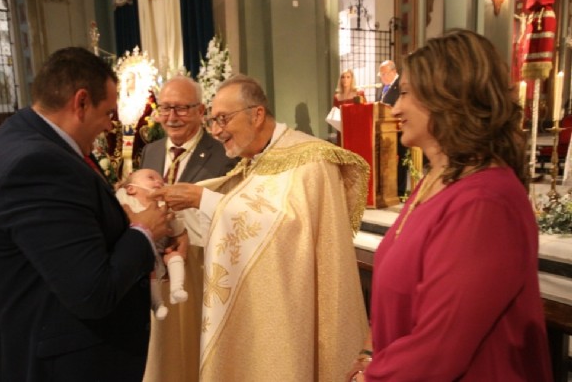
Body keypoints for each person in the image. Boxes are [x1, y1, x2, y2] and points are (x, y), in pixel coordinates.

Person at [345, 29, 553, 382]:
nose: (395, 107)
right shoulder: (435, 178)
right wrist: (369, 353)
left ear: (447, 97)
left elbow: (439, 348)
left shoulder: (485, 203)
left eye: (406, 93)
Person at [0, 47, 173, 382]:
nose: (109, 126)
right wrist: (142, 231)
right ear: (80, 102)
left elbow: (60, 238)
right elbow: (92, 293)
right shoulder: (37, 165)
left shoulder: (23, 135)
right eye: (108, 113)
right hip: (60, 364)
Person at [153, 74, 371, 381]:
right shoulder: (256, 159)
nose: (216, 131)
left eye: (223, 119)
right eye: (213, 121)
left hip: (293, 311)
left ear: (257, 115)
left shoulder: (310, 160)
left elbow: (285, 231)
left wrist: (201, 198)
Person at [140, 75, 237, 382]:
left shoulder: (225, 153)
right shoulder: (151, 151)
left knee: (196, 348)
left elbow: (230, 210)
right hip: (160, 268)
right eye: (166, 108)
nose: (172, 117)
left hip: (203, 268)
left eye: (181, 108)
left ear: (200, 110)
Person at [115, 168, 188, 320]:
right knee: (150, 272)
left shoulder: (164, 207)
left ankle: (177, 289)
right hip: (142, 252)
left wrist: (179, 230)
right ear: (131, 189)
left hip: (161, 252)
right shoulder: (128, 202)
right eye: (151, 178)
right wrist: (122, 190)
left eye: (161, 182)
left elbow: (177, 229)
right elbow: (120, 198)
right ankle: (157, 304)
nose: (158, 182)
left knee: (174, 256)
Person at [376, 60, 407, 197]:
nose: (381, 77)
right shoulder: (383, 87)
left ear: (393, 72)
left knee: (400, 160)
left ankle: (400, 191)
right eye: (380, 74)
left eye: (384, 74)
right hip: (384, 130)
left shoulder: (401, 85)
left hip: (399, 129)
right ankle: (387, 188)